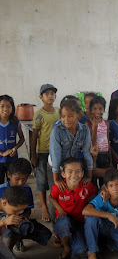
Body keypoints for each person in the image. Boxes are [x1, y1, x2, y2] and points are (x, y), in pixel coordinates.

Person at [0, 159, 51, 253]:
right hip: (3, 222)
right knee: (10, 232)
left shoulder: (27, 189)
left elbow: (28, 210)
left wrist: (24, 216)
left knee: (44, 234)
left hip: (18, 221)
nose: (20, 183)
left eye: (24, 179)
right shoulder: (1, 190)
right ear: (9, 175)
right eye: (17, 179)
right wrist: (4, 221)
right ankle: (8, 249)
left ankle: (17, 239)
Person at [50, 157, 97, 259]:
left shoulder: (86, 185)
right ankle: (66, 247)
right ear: (63, 174)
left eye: (78, 171)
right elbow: (51, 197)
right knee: (64, 222)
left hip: (80, 222)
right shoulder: (59, 186)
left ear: (83, 173)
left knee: (80, 248)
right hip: (64, 219)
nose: (74, 175)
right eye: (70, 172)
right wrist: (60, 209)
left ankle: (70, 244)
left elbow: (95, 195)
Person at [50, 98, 93, 192]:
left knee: (74, 192)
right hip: (56, 166)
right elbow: (55, 156)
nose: (66, 120)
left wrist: (89, 176)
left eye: (70, 116)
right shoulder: (57, 131)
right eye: (63, 116)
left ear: (79, 115)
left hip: (71, 166)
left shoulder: (85, 130)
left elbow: (87, 153)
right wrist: (56, 179)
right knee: (58, 191)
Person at [31, 84, 59, 222]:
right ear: (41, 97)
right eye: (46, 94)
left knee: (54, 181)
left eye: (52, 93)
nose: (50, 96)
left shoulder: (59, 111)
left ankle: (54, 206)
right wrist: (33, 155)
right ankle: (43, 207)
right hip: (43, 152)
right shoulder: (39, 115)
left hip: (57, 152)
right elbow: (34, 136)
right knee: (41, 181)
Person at [0, 95, 25, 184]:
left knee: (12, 182)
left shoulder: (15, 122)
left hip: (12, 159)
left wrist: (15, 148)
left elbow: (22, 139)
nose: (5, 109)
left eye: (8, 106)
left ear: (12, 108)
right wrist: (2, 153)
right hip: (0, 160)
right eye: (2, 106)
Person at [0, 186, 29, 259]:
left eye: (20, 211)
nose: (17, 213)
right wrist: (4, 221)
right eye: (15, 211)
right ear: (4, 203)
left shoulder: (7, 207)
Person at [85, 96, 111, 170]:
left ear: (104, 110)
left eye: (100, 109)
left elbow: (108, 141)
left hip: (105, 154)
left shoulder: (106, 123)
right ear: (90, 110)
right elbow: (91, 143)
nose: (97, 111)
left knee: (105, 179)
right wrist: (95, 126)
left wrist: (111, 162)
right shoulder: (88, 123)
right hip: (94, 155)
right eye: (94, 108)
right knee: (94, 176)